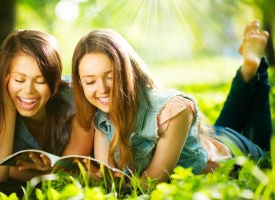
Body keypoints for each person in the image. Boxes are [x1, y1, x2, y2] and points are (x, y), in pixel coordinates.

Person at [71, 20, 272, 185]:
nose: (102, 89)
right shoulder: (101, 120)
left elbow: (150, 183)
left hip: (232, 151)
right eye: (90, 81)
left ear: (128, 72)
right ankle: (249, 69)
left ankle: (256, 66)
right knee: (223, 125)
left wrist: (103, 181)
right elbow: (109, 177)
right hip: (207, 139)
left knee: (263, 146)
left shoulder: (173, 110)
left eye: (110, 76)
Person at [0, 30, 94, 184]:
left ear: (54, 81)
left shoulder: (76, 99)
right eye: (19, 80)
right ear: (5, 79)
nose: (29, 90)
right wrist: (7, 106)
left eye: (40, 81)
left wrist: (14, 171)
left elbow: (69, 172)